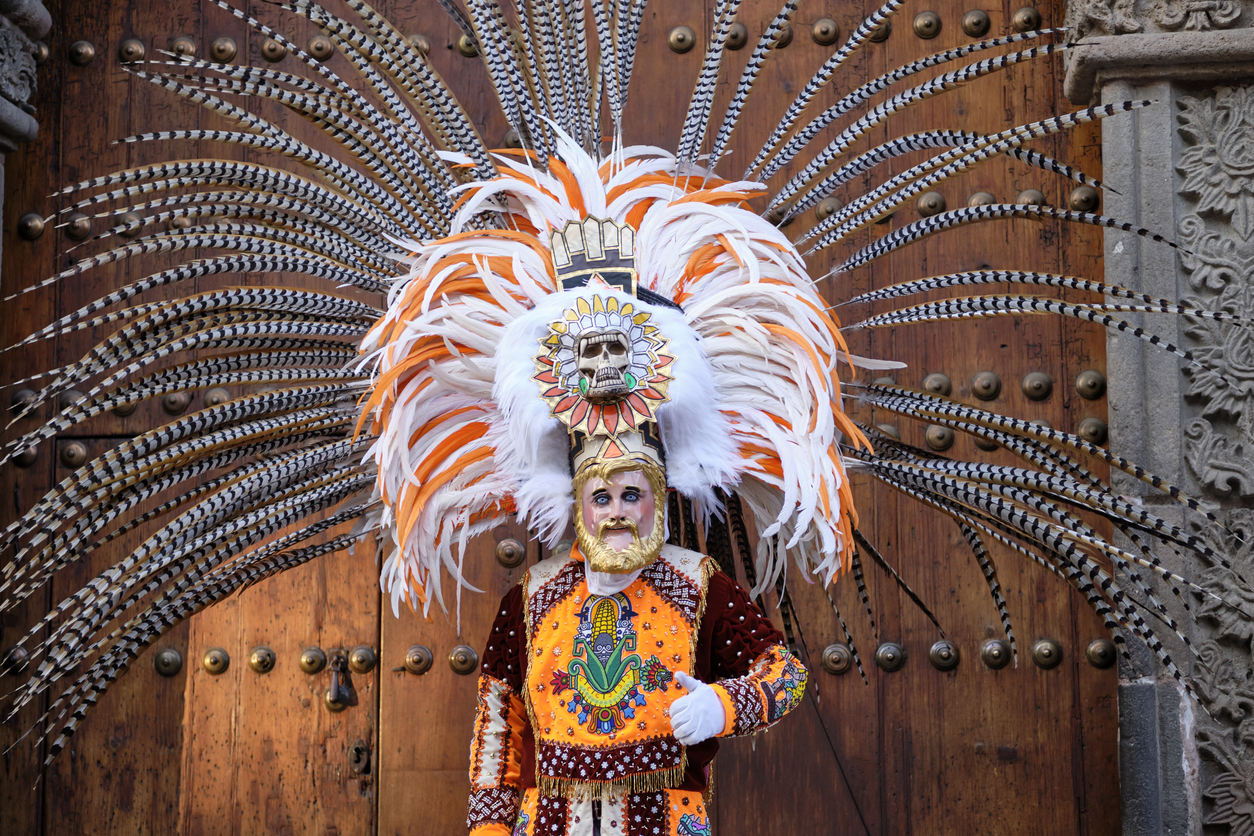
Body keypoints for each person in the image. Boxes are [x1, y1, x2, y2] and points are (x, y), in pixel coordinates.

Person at [467, 428, 807, 835]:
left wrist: (722, 706)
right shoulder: (530, 596)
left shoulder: (700, 585)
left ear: (657, 500)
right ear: (580, 507)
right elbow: (498, 724)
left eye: (631, 495)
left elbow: (786, 676)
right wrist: (489, 828)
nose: (616, 513)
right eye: (600, 498)